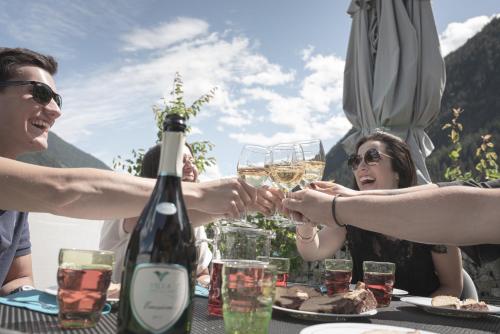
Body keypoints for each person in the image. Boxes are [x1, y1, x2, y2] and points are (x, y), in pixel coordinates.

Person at [0, 47, 261, 295]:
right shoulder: (32, 189)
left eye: (56, 99)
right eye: (41, 93)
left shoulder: (18, 196)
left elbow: (17, 280)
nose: (56, 111)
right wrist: (201, 194)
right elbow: (63, 191)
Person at [294, 132, 463, 297]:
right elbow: (312, 252)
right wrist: (306, 223)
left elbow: (452, 287)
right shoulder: (351, 212)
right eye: (356, 161)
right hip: (364, 315)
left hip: (418, 321)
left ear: (398, 170)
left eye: (372, 157)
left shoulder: (432, 216)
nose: (361, 166)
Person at [100, 143, 212, 285]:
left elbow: (202, 273)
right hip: (118, 300)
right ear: (159, 170)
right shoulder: (133, 206)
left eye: (192, 161)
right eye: (181, 161)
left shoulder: (192, 219)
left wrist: (197, 285)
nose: (190, 166)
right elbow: (160, 210)